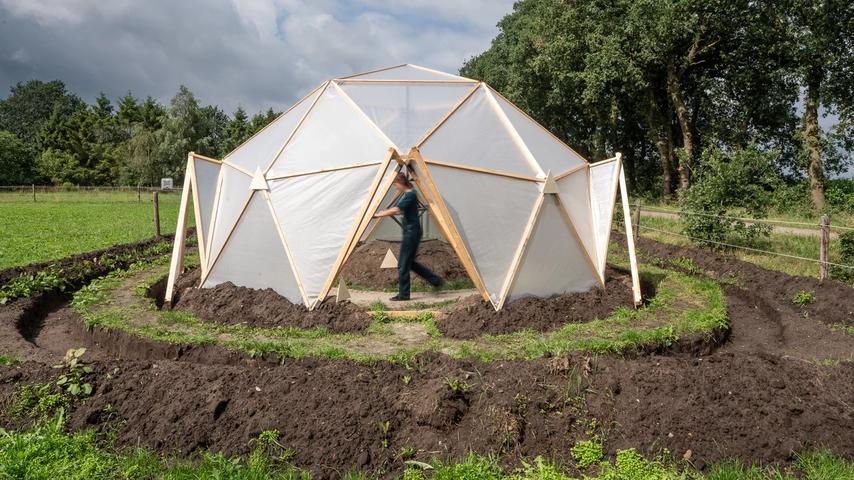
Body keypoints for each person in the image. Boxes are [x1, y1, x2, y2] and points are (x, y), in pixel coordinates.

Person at [373, 172, 443, 301]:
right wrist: (384, 212)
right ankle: (435, 280)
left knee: (402, 264)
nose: (395, 187)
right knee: (409, 263)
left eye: (395, 184)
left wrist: (380, 214)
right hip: (411, 232)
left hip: (412, 233)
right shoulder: (409, 194)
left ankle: (404, 295)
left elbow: (397, 210)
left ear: (401, 183)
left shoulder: (410, 195)